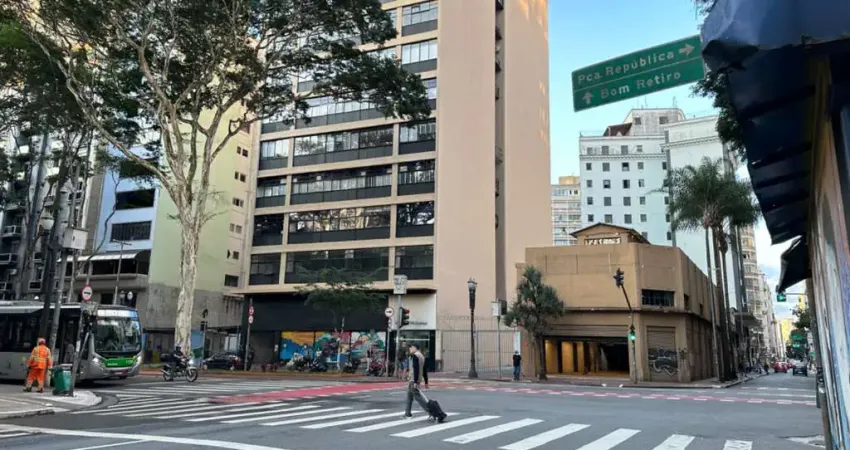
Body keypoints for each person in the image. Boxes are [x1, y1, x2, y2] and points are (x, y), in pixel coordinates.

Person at [403, 343, 429, 419]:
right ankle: (407, 414)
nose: (409, 349)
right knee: (409, 397)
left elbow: (416, 369)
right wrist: (426, 382)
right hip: (416, 379)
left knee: (418, 397)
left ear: (414, 348)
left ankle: (431, 411)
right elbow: (424, 371)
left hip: (413, 380)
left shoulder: (415, 356)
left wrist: (415, 382)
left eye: (410, 348)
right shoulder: (422, 356)